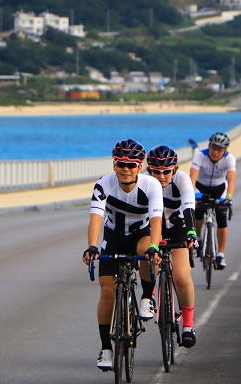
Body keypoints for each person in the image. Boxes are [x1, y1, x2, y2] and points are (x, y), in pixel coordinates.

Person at [83, 139, 163, 370]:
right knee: (107, 290)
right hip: (114, 236)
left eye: (131, 165)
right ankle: (106, 348)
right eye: (121, 164)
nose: (126, 169)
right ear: (114, 164)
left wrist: (154, 248)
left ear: (140, 166)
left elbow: (156, 220)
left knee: (146, 251)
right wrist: (92, 246)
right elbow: (96, 217)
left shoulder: (151, 185)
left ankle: (148, 296)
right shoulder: (104, 184)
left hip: (141, 235)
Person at [144, 145, 198, 348]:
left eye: (166, 171)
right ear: (149, 170)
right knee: (149, 263)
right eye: (156, 171)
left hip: (178, 229)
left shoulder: (182, 179)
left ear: (174, 169)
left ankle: (188, 326)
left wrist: (192, 233)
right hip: (154, 230)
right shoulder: (145, 181)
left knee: (182, 277)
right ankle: (148, 296)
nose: (161, 176)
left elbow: (189, 206)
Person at [190, 132, 236, 270]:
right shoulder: (200, 156)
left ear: (225, 151)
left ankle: (220, 254)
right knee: (198, 212)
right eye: (213, 148)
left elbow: (231, 180)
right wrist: (192, 196)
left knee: (222, 217)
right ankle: (198, 237)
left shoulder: (229, 159)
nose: (215, 152)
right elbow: (192, 179)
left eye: (219, 149)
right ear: (208, 146)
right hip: (200, 187)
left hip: (219, 188)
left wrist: (229, 198)